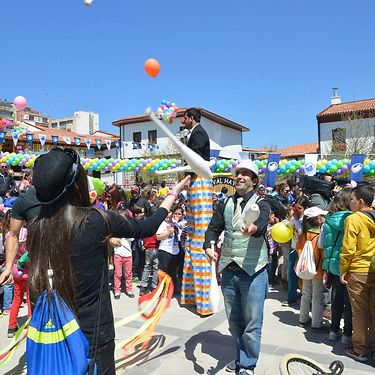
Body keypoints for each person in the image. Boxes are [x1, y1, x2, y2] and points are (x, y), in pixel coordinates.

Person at [0, 148, 190, 374]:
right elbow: (146, 227)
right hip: (92, 339)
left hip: (50, 340)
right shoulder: (94, 220)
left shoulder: (37, 227)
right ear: (76, 182)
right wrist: (172, 194)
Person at [205, 160, 270, 375]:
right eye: (238, 173)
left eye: (245, 174)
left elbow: (260, 225)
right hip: (229, 270)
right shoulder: (225, 203)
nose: (239, 177)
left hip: (253, 272)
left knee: (252, 323)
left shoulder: (261, 203)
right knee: (234, 323)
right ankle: (241, 356)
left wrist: (253, 228)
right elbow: (213, 229)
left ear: (254, 181)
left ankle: (247, 365)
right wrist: (208, 245)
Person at [180, 108, 214, 316]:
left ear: (191, 119)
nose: (182, 121)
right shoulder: (193, 134)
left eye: (184, 118)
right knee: (192, 235)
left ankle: (204, 300)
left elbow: (194, 159)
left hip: (200, 182)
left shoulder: (199, 134)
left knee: (199, 235)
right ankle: (192, 294)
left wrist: (186, 178)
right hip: (193, 183)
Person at [340, 185, 375, 362]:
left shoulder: (354, 219)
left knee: (359, 312)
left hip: (358, 270)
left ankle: (360, 349)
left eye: (352, 199)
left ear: (361, 202)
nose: (350, 202)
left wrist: (343, 269)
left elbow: (348, 248)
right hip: (373, 268)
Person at [322, 190, 352, 345]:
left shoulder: (328, 219)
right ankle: (347, 334)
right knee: (349, 302)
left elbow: (322, 243)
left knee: (337, 299)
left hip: (332, 265)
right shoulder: (353, 219)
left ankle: (333, 331)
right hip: (348, 265)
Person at [297, 206, 328, 332]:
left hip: (305, 270)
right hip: (317, 270)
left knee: (305, 294)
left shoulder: (303, 234)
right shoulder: (320, 235)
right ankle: (317, 323)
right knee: (317, 297)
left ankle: (303, 319)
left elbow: (299, 249)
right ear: (318, 219)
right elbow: (322, 254)